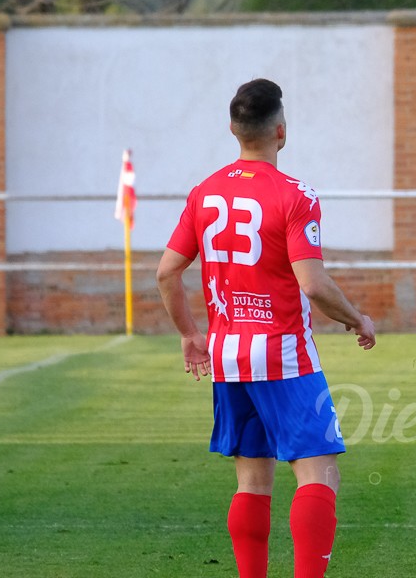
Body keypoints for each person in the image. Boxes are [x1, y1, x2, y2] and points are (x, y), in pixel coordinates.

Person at [156, 79, 376, 578]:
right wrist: (357, 318)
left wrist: (191, 334)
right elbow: (314, 286)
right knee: (319, 472)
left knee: (252, 481)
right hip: (282, 355)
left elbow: (166, 272)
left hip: (228, 356)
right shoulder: (296, 195)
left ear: (233, 130)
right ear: (282, 131)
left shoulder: (204, 192)